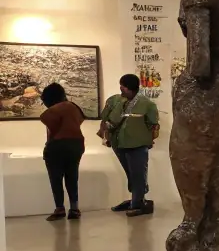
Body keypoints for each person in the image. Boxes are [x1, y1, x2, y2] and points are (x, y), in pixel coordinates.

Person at [99, 73, 159, 217]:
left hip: (138, 145)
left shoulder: (148, 104)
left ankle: (138, 202)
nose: (121, 89)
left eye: (123, 86)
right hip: (118, 143)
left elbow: (153, 125)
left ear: (130, 87)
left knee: (138, 174)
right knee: (130, 173)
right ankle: (137, 199)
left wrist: (148, 140)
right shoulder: (115, 100)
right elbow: (105, 117)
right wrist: (105, 136)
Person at [39, 83, 85, 221]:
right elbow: (81, 119)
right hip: (77, 144)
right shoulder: (74, 107)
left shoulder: (53, 110)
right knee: (72, 176)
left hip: (57, 145)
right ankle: (74, 208)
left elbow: (45, 119)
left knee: (56, 178)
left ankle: (59, 208)